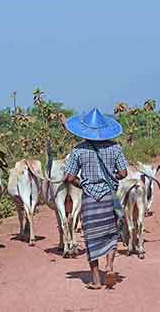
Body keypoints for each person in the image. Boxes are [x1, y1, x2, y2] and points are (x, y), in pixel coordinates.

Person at [64, 108, 128, 290]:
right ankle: (110, 267)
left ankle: (96, 279)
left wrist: (82, 184)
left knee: (91, 237)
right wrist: (112, 176)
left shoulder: (78, 150)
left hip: (90, 198)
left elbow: (69, 177)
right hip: (109, 196)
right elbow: (124, 172)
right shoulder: (115, 148)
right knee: (111, 232)